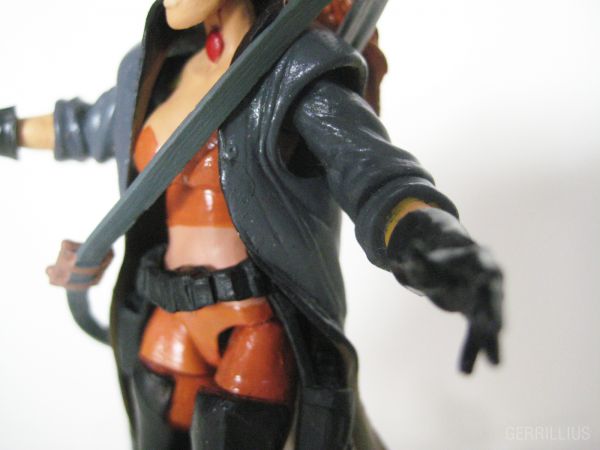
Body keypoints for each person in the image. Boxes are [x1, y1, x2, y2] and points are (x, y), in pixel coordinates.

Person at [0, 0, 503, 449]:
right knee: (155, 431)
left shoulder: (299, 68)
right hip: (169, 309)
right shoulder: (154, 71)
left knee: (232, 431)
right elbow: (83, 126)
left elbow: (373, 174)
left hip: (252, 321)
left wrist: (434, 243)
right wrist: (7, 129)